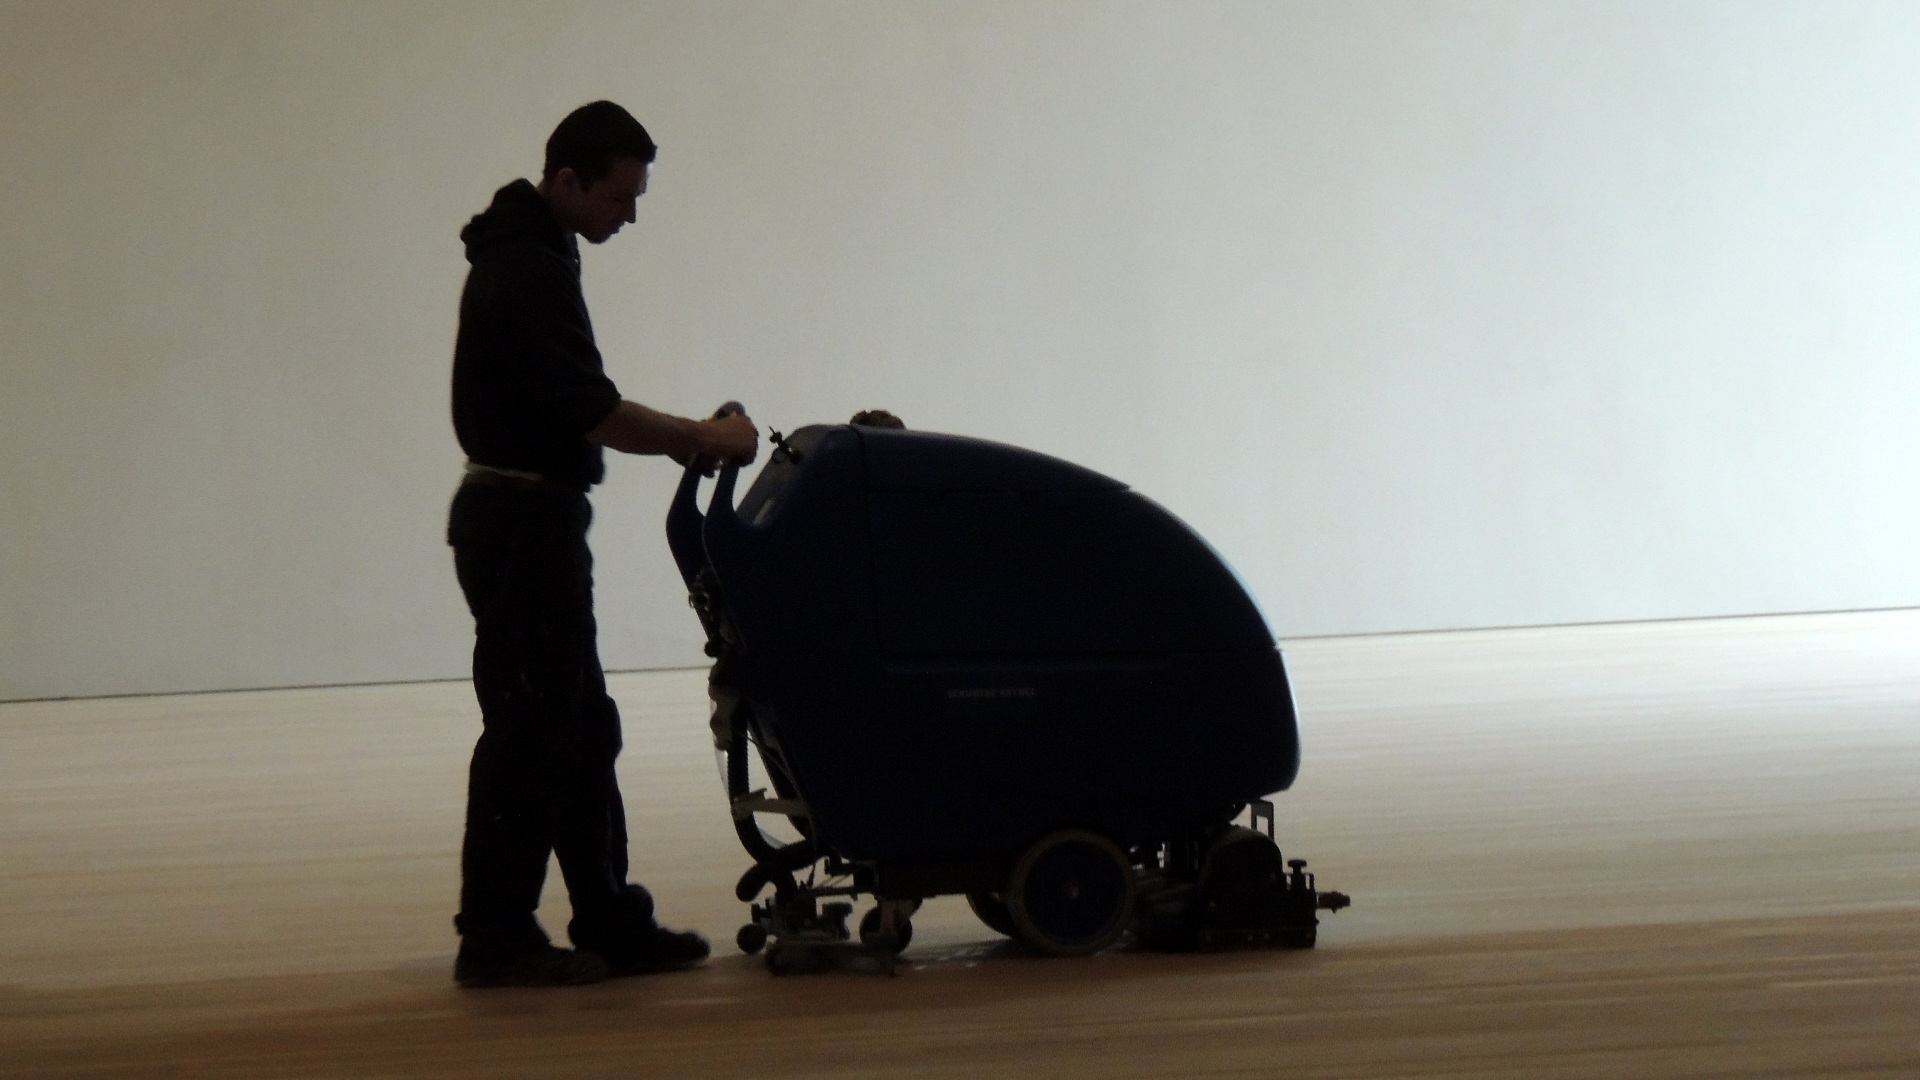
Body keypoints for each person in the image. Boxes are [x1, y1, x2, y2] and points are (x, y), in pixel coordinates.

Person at [446, 100, 759, 988]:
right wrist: (699, 436)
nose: (630, 216)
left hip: (527, 519)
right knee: (531, 732)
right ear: (567, 180)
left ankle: (610, 919)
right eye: (620, 198)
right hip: (520, 525)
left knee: (578, 727)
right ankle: (496, 936)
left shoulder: (540, 251)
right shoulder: (524, 269)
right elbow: (593, 411)